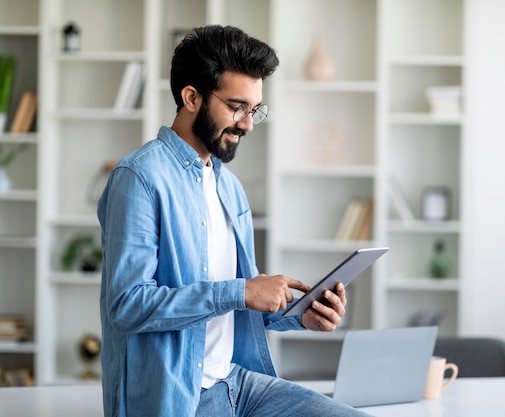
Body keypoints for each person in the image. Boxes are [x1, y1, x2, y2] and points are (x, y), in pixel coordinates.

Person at [97, 25, 370, 417]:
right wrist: (240, 291)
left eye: (254, 109)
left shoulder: (229, 188)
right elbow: (126, 306)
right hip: (178, 399)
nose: (248, 123)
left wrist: (299, 315)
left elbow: (244, 301)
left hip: (236, 384)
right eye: (236, 106)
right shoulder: (139, 178)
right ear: (191, 97)